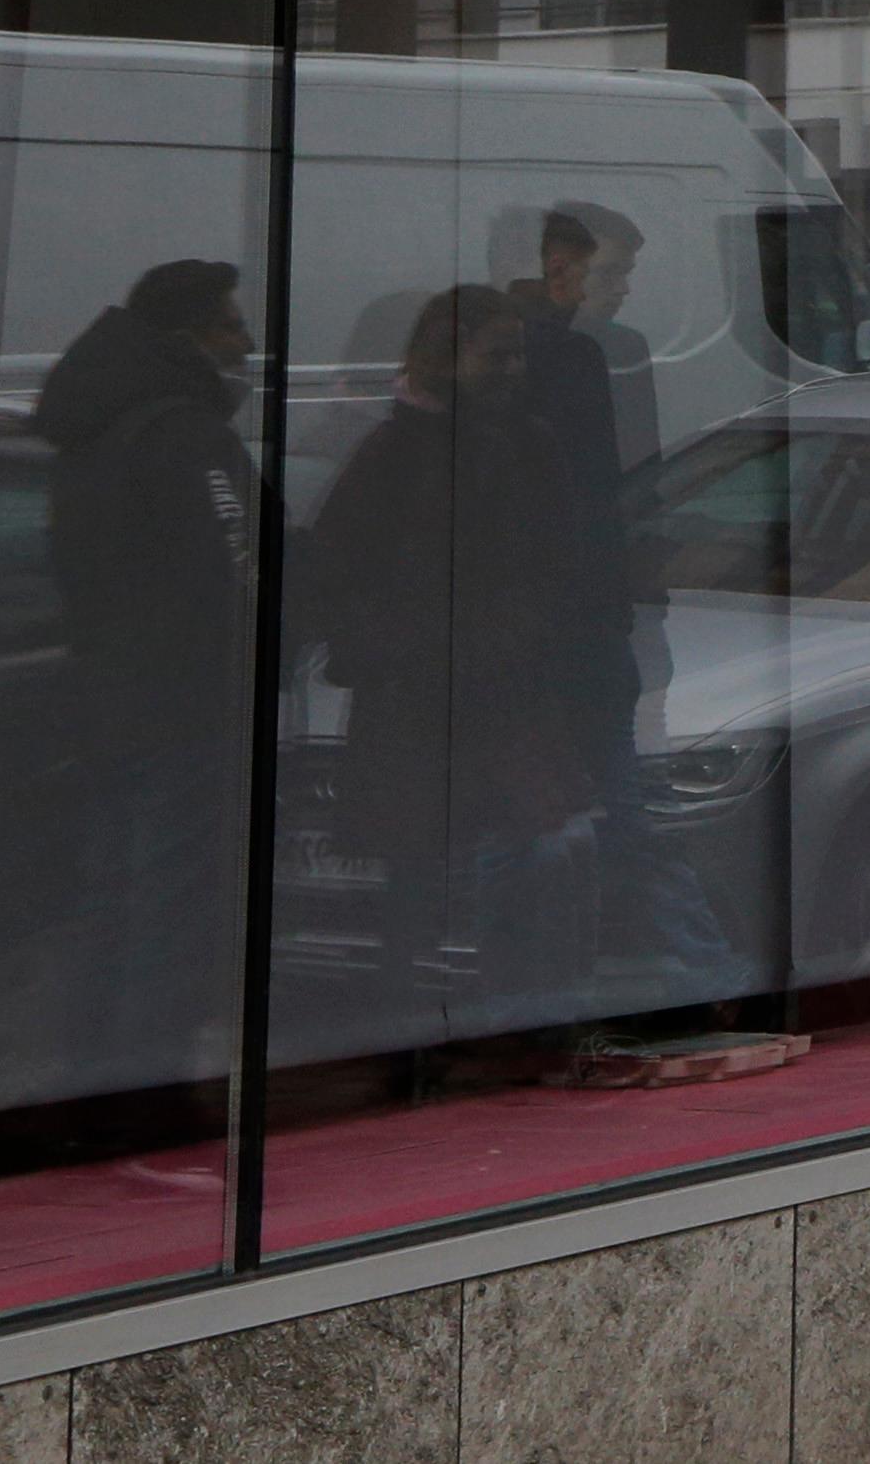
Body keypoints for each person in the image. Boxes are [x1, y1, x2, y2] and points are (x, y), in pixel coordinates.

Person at [306, 283, 591, 1047]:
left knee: (521, 857)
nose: (511, 369)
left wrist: (518, 639)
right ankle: (425, 1035)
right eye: (495, 354)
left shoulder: (526, 445)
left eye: (517, 354)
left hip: (498, 694)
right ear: (447, 358)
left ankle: (503, 1026)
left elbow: (565, 569)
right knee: (426, 876)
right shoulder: (395, 453)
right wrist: (398, 647)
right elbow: (336, 572)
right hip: (424, 700)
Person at [36, 257, 261, 1106]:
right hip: (182, 704)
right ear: (191, 336)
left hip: (109, 696)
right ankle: (143, 1105)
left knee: (109, 901)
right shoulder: (183, 434)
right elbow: (235, 570)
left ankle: (86, 1089)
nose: (246, 341)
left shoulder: (90, 429)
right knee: (170, 911)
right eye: (232, 325)